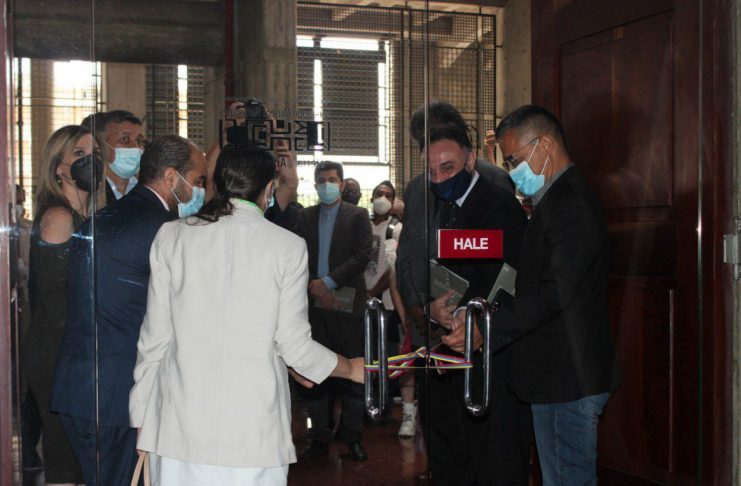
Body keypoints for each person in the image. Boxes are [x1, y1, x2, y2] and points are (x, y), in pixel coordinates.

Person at [128, 145, 364, 486]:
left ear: (216, 183)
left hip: (178, 427)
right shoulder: (287, 246)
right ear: (268, 189)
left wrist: (142, 417)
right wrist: (350, 368)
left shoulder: (172, 236)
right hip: (253, 432)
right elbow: (294, 346)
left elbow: (154, 340)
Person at [443, 105, 621, 485]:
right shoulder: (555, 200)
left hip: (566, 376)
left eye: (513, 160)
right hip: (559, 374)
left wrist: (487, 329)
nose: (511, 171)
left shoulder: (568, 203)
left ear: (545, 146)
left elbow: (556, 292)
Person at [51, 134, 206, 486]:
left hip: (82, 388)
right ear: (171, 178)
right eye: (197, 181)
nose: (200, 191)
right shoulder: (166, 230)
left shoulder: (107, 216)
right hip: (119, 396)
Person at [396, 101, 532, 485]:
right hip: (448, 350)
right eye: (432, 171)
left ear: (470, 159)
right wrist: (432, 309)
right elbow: (440, 270)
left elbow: (505, 279)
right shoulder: (445, 205)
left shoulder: (496, 203)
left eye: (448, 168)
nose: (439, 178)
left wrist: (469, 318)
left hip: (488, 356)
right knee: (451, 451)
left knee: (491, 459)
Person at [21, 125, 105, 486]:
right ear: (59, 167)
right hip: (59, 354)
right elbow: (56, 302)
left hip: (74, 352)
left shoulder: (86, 217)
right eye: (80, 154)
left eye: (96, 154)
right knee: (64, 459)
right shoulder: (59, 217)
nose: (91, 161)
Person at [294, 161, 373, 462]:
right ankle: (319, 438)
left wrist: (327, 283)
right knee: (315, 370)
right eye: (321, 180)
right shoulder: (304, 216)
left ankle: (352, 437)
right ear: (315, 185)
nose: (326, 184)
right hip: (314, 305)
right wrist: (315, 286)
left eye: (332, 179)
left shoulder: (358, 215)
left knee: (353, 371)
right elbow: (296, 255)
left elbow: (362, 255)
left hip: (348, 305)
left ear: (341, 184)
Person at [82, 110, 145, 205]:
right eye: (125, 139)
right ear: (99, 146)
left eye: (139, 141)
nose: (135, 147)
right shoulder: (87, 194)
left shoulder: (147, 190)